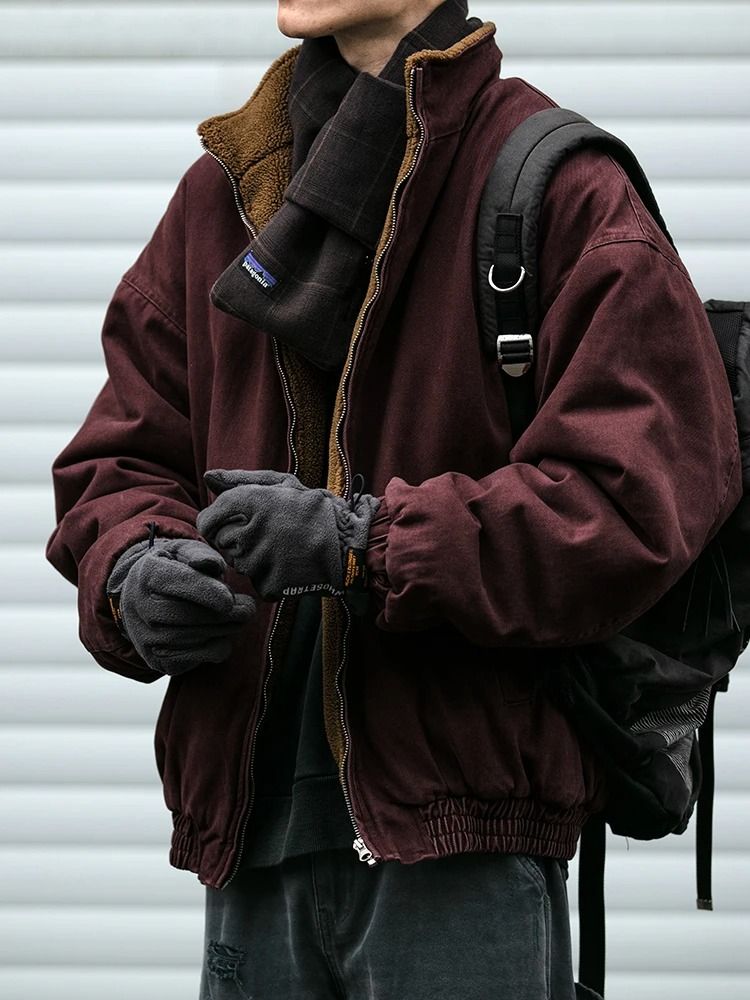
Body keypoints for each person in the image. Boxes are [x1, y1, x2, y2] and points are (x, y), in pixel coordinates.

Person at [45, 1, 741, 997]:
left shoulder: (557, 185)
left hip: (462, 848)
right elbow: (119, 458)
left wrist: (367, 544)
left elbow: (638, 496)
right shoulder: (221, 194)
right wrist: (134, 569)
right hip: (252, 840)